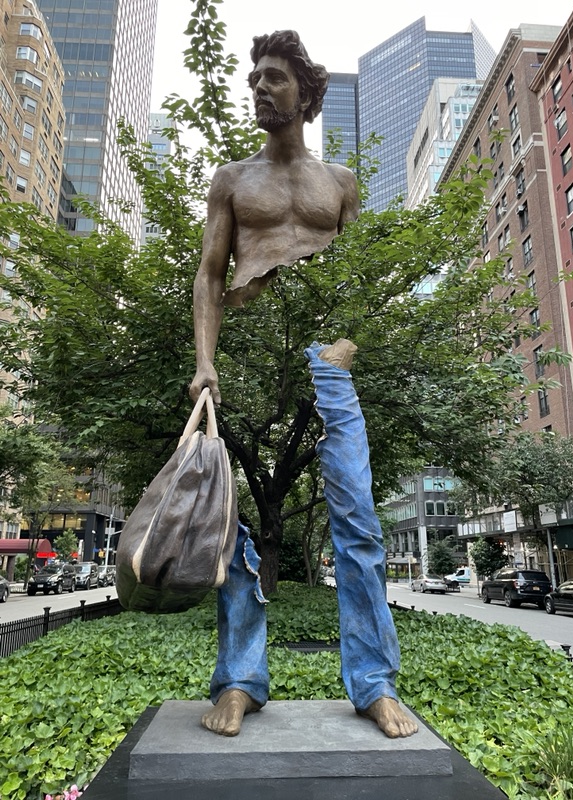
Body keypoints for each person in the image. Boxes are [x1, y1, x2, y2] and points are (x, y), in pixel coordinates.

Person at [190, 30, 417, 741]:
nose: (260, 86)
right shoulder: (232, 180)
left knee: (358, 523)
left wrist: (351, 344)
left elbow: (361, 277)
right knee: (230, 529)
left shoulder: (340, 183)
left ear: (306, 91)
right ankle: (239, 680)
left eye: (275, 77)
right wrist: (205, 361)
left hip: (330, 360)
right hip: (251, 348)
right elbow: (209, 274)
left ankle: (373, 683)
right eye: (254, 78)